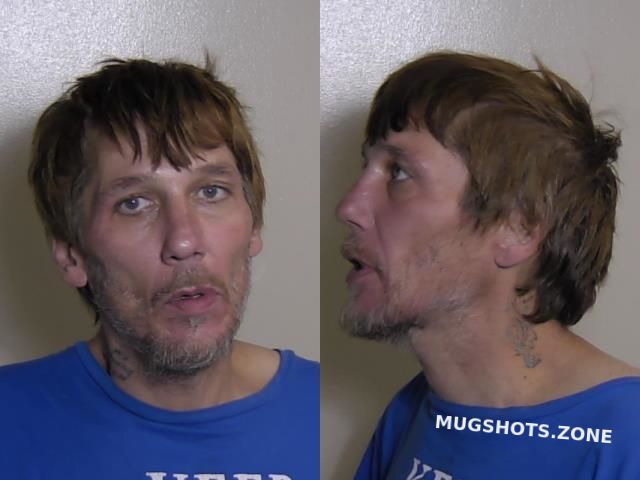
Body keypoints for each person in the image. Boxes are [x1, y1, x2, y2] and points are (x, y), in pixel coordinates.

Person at [0, 57, 318, 479]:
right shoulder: (10, 420)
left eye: (211, 191)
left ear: (254, 226)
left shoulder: (315, 408)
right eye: (134, 203)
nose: (184, 242)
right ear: (72, 255)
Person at [337, 51, 640, 479]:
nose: (349, 207)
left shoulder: (626, 439)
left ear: (519, 228)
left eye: (399, 172)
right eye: (365, 167)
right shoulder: (410, 412)